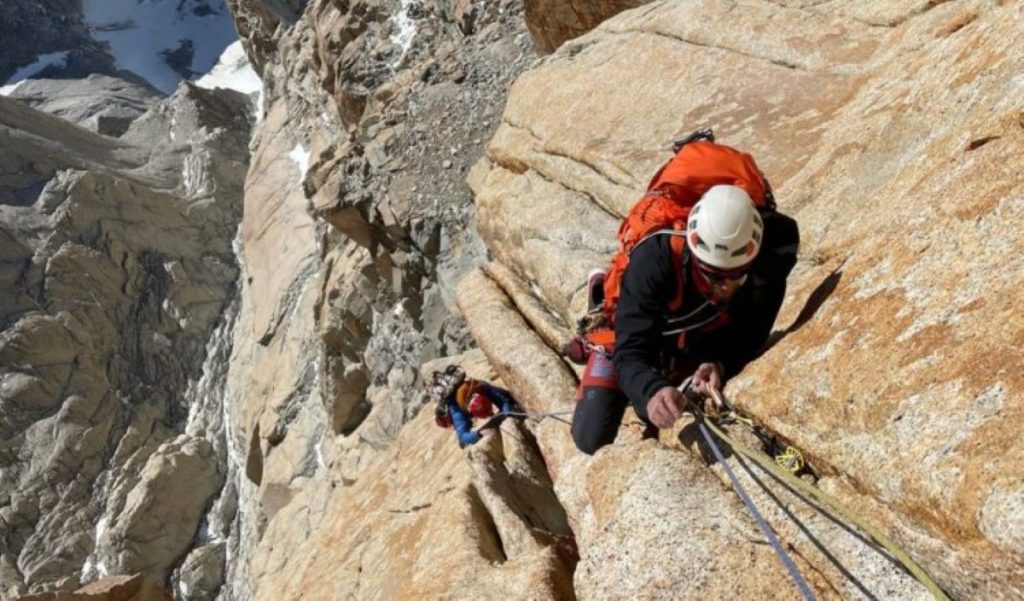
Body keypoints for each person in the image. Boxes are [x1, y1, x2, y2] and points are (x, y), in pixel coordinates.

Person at [569, 137, 799, 455]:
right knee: (589, 435)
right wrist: (651, 390)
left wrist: (719, 363)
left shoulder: (769, 253)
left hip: (699, 325)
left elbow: (754, 330)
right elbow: (632, 352)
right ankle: (600, 295)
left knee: (666, 395)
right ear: (692, 251)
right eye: (711, 274)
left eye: (734, 275)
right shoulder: (655, 261)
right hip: (635, 325)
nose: (722, 285)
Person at [429, 365, 518, 448]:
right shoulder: (456, 408)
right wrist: (479, 434)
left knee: (508, 397)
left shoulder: (479, 386)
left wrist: (507, 411)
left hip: (481, 388)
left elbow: (502, 401)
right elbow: (463, 436)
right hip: (457, 406)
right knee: (463, 441)